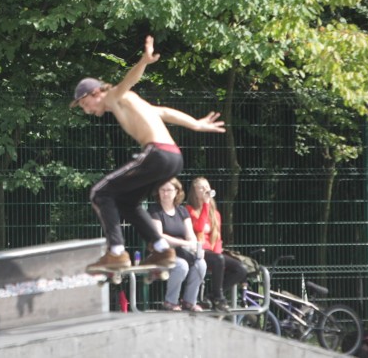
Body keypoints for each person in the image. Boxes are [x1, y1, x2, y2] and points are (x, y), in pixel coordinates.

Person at [70, 35, 225, 270]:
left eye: (85, 105)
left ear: (95, 94)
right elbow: (163, 111)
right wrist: (195, 124)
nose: (87, 110)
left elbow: (127, 81)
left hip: (157, 154)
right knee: (127, 202)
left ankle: (116, 252)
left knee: (99, 192)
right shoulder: (134, 102)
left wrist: (143, 61)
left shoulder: (112, 96)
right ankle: (162, 250)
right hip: (174, 158)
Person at [186, 176, 248, 311]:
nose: (205, 190)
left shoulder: (215, 214)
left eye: (207, 187)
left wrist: (219, 256)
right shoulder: (189, 210)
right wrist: (206, 205)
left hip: (213, 254)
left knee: (241, 269)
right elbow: (199, 228)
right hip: (198, 251)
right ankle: (219, 298)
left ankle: (211, 297)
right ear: (194, 192)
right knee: (218, 259)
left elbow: (217, 237)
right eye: (201, 188)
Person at [149, 178, 206, 312]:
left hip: (182, 252)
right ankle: (170, 302)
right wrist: (184, 243)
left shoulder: (182, 211)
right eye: (162, 190)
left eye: (169, 190)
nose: (165, 193)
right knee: (181, 266)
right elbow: (159, 235)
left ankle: (189, 301)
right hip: (162, 253)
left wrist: (195, 246)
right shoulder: (154, 211)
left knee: (201, 264)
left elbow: (190, 234)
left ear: (176, 192)